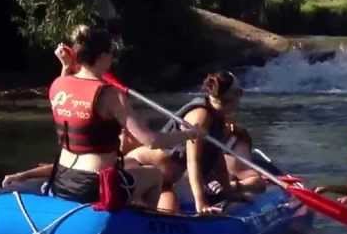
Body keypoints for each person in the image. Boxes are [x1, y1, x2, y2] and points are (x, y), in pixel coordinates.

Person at [44, 25, 201, 206]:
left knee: (132, 167)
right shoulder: (110, 95)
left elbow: (72, 93)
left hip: (62, 179)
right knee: (154, 175)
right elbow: (151, 140)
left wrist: (66, 66)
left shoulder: (58, 84)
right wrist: (189, 134)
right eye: (111, 53)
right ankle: (143, 227)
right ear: (102, 56)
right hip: (95, 185)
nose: (113, 58)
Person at [176, 71, 250, 215]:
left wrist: (228, 192)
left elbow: (218, 157)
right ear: (227, 97)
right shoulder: (200, 117)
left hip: (178, 177)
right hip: (166, 177)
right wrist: (201, 202)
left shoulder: (218, 116)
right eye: (239, 93)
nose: (241, 97)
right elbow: (193, 161)